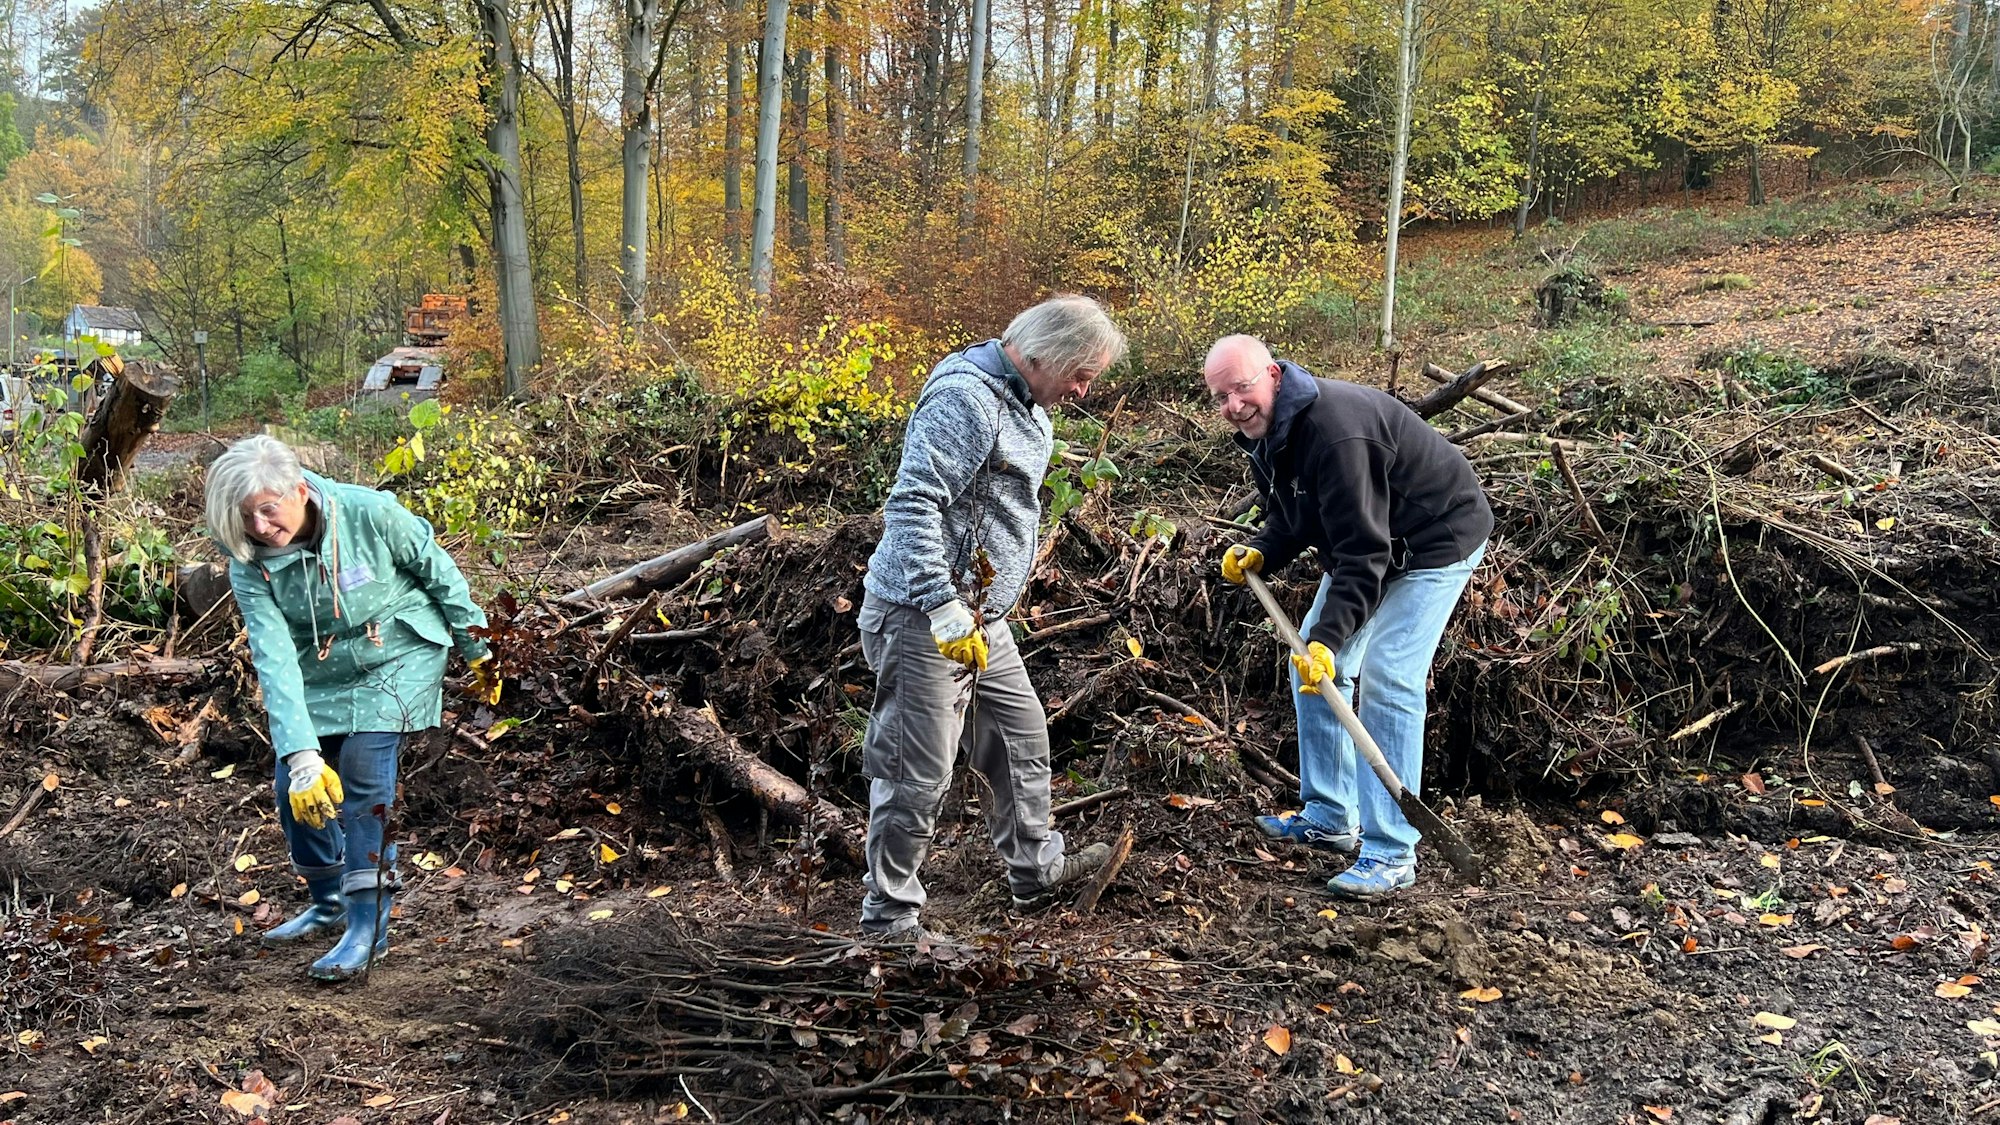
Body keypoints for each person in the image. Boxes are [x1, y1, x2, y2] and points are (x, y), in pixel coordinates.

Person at [856, 295, 1127, 939]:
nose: (1085, 389)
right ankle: (889, 920)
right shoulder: (966, 400)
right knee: (915, 769)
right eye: (1082, 373)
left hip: (982, 618)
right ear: (1042, 353)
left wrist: (975, 605)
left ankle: (1036, 872)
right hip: (924, 618)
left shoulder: (1029, 405)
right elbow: (913, 504)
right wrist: (940, 604)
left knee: (1020, 737)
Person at [1205, 335, 1491, 900]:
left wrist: (1330, 641)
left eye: (1241, 389)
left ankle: (1390, 852)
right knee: (1308, 661)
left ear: (1274, 375)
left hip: (1436, 540)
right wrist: (1266, 549)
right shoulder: (1272, 432)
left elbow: (1365, 555)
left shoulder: (1337, 431)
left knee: (1388, 676)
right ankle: (1332, 815)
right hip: (1374, 544)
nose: (1234, 406)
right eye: (1220, 397)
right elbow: (1298, 513)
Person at [205, 434, 499, 979]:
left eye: (269, 511)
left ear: (298, 490)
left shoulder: (367, 512)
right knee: (296, 787)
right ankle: (327, 900)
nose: (261, 528)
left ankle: (368, 925)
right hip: (321, 669)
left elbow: (441, 574)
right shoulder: (248, 557)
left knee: (364, 769)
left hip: (398, 650)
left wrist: (479, 649)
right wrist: (300, 759)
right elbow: (272, 656)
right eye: (247, 518)